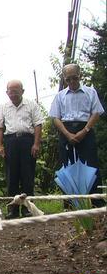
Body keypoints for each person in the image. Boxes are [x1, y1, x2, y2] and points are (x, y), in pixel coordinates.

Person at [49, 63, 105, 208]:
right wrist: (67, 134)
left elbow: (96, 112)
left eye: (75, 78)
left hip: (85, 128)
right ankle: (69, 203)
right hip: (66, 130)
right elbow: (55, 117)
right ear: (64, 79)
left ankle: (96, 202)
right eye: (68, 79)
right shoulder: (60, 96)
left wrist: (84, 131)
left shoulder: (90, 92)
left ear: (80, 76)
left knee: (91, 164)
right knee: (66, 166)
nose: (72, 82)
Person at [0, 80, 44, 218]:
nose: (13, 94)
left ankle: (28, 208)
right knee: (12, 176)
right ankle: (13, 209)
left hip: (27, 141)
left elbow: (38, 125)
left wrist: (36, 144)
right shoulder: (3, 107)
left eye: (16, 91)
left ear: (22, 91)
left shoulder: (31, 104)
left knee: (27, 175)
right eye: (11, 91)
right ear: (7, 92)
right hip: (10, 141)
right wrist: (0, 145)